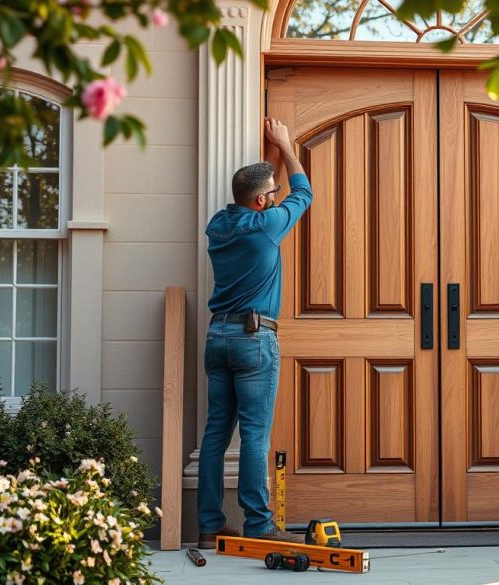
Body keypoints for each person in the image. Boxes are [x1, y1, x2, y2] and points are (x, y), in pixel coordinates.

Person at [196, 117, 313, 548]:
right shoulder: (268, 225)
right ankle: (258, 524)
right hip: (253, 339)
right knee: (254, 434)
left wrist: (270, 162)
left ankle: (209, 525)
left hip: (218, 338)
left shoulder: (218, 225)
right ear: (264, 201)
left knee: (215, 434)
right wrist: (287, 146)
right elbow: (304, 193)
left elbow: (259, 193)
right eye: (271, 195)